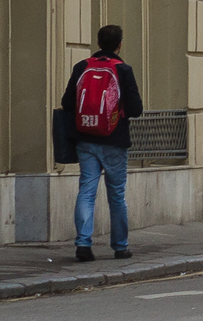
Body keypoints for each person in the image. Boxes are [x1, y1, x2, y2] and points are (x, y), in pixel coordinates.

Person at [61, 24, 144, 262]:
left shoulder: (82, 67)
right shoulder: (123, 69)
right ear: (120, 44)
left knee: (87, 191)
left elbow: (67, 103)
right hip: (114, 140)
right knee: (116, 195)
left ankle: (83, 245)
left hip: (85, 139)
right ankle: (120, 246)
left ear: (98, 43)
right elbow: (137, 109)